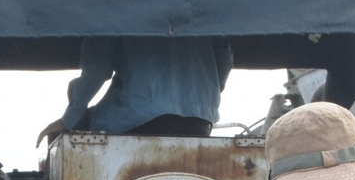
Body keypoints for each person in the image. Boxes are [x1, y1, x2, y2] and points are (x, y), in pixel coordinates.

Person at [37, 37, 234, 142]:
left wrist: (69, 118)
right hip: (200, 122)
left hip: (140, 119)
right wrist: (201, 99)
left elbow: (97, 68)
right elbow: (224, 59)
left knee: (65, 137)